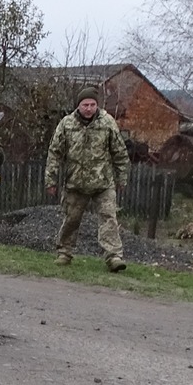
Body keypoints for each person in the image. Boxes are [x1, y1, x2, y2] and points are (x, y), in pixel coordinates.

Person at [46, 84, 130, 272]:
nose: (89, 108)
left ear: (97, 105)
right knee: (71, 219)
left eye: (92, 104)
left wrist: (122, 177)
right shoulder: (66, 124)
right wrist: (50, 180)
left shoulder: (107, 123)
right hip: (75, 182)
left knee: (109, 218)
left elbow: (120, 152)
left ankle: (114, 257)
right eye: (85, 105)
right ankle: (64, 252)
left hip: (103, 182)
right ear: (78, 105)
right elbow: (54, 153)